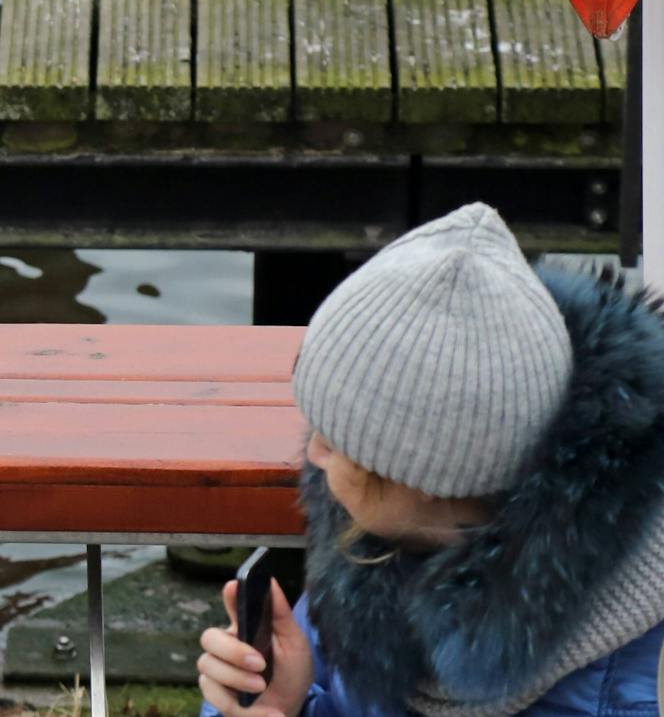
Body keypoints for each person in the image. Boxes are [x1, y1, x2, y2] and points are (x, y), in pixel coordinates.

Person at [197, 203, 664, 717]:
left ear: (429, 473)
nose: (311, 452)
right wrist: (287, 705)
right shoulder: (372, 544)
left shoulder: (629, 688)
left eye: (342, 438)